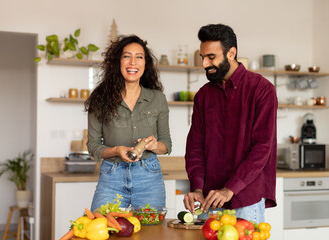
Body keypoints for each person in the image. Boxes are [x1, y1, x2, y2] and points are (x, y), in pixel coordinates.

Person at [183, 24, 277, 223]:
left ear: (231, 53)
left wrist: (229, 189)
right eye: (202, 57)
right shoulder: (203, 96)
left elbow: (262, 148)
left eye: (211, 57)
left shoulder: (262, 90)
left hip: (246, 200)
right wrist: (197, 189)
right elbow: (195, 148)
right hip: (208, 201)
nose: (204, 64)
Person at [85, 35, 172, 212]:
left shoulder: (157, 99)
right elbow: (93, 145)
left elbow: (167, 145)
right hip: (111, 176)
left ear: (145, 63)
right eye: (127, 56)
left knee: (151, 233)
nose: (133, 62)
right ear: (118, 62)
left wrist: (155, 145)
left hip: (149, 176)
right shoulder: (100, 99)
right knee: (101, 229)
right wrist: (116, 150)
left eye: (139, 57)